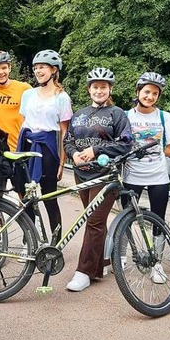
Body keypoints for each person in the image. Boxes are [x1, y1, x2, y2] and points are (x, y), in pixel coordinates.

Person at [63, 68, 132, 292]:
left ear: (110, 89)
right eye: (95, 87)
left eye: (103, 87)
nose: (99, 90)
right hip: (81, 171)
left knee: (93, 220)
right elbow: (68, 140)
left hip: (105, 174)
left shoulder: (117, 114)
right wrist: (73, 154)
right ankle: (99, 265)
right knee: (94, 222)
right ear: (89, 89)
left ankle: (83, 272)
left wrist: (94, 149)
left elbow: (125, 143)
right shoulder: (79, 113)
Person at [16, 49, 73, 239]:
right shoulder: (28, 94)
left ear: (54, 70)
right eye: (36, 68)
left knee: (49, 197)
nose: (38, 71)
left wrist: (62, 163)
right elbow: (24, 121)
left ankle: (55, 242)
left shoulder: (62, 97)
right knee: (26, 197)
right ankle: (29, 240)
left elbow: (65, 131)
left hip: (47, 147)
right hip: (27, 145)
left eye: (43, 67)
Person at [123, 72, 170, 235]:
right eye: (147, 92)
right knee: (126, 219)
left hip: (158, 176)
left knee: (158, 219)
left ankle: (158, 259)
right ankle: (122, 256)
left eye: (155, 93)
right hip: (131, 175)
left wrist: (154, 156)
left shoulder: (164, 117)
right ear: (138, 91)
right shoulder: (125, 116)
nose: (150, 96)